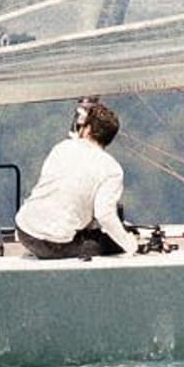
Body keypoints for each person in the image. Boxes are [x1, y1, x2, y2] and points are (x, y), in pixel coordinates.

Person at [14, 98, 138, 258]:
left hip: (24, 229)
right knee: (106, 245)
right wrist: (129, 244)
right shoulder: (112, 169)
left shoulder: (61, 147)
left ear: (87, 129)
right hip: (54, 244)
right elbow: (104, 214)